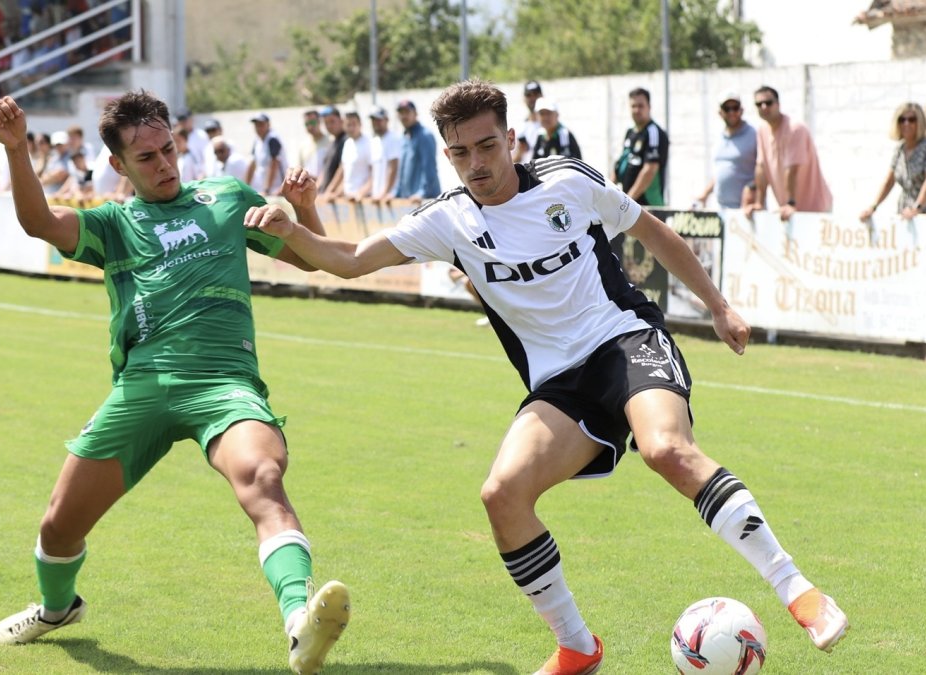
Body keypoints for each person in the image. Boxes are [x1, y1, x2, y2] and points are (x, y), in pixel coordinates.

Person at [245, 79, 848, 675]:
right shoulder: (446, 220)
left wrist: (718, 306)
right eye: (460, 152)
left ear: (511, 138)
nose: (476, 164)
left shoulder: (567, 180)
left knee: (666, 449)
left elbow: (653, 232)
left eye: (486, 146)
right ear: (446, 153)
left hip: (625, 340)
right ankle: (576, 646)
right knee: (501, 495)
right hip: (560, 384)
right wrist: (295, 229)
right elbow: (349, 261)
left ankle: (799, 591)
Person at [0, 90, 350, 675]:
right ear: (118, 166)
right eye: (146, 158)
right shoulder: (115, 224)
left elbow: (314, 258)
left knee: (263, 476)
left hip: (225, 381)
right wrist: (18, 148)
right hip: (144, 386)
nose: (164, 165)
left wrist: (304, 209)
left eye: (168, 149)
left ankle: (299, 621)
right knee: (58, 524)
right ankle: (56, 609)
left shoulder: (227, 197)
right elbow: (39, 223)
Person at [745, 85, 832, 221]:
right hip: (789, 212)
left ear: (778, 104)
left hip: (814, 209)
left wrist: (790, 203)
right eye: (759, 104)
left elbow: (791, 169)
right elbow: (761, 168)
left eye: (768, 103)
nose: (764, 107)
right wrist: (759, 203)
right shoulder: (762, 131)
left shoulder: (795, 128)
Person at [859, 102, 926, 220]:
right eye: (902, 120)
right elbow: (889, 180)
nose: (906, 124)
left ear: (920, 122)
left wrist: (917, 207)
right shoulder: (900, 149)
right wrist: (873, 207)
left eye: (911, 120)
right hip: (904, 211)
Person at [695, 92, 757, 209]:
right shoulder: (719, 137)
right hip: (722, 208)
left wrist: (752, 187)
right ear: (720, 112)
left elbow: (765, 170)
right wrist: (704, 194)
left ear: (742, 110)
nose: (731, 112)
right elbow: (721, 171)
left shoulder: (754, 134)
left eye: (735, 108)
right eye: (727, 108)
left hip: (747, 210)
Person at [611, 87, 668, 206]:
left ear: (649, 107)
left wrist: (627, 201)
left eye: (641, 106)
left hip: (648, 207)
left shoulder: (653, 132)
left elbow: (649, 170)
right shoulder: (630, 133)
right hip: (630, 207)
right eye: (633, 106)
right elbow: (620, 165)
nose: (637, 110)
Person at [394, 99, 441, 203]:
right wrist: (395, 194)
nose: (404, 116)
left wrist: (422, 193)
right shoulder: (405, 137)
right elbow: (401, 172)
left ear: (415, 114)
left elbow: (430, 169)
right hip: (409, 201)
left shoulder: (425, 135)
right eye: (401, 113)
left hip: (424, 201)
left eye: (407, 112)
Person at [322, 111, 372, 202]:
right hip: (348, 198)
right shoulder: (348, 143)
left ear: (360, 124)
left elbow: (374, 174)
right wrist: (333, 192)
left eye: (354, 124)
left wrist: (361, 193)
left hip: (364, 198)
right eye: (348, 125)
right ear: (344, 126)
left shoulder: (370, 143)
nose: (351, 128)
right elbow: (344, 171)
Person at [246, 112, 288, 196]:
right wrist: (245, 187)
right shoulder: (257, 141)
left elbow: (274, 164)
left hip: (277, 189)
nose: (258, 127)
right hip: (265, 188)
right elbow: (252, 164)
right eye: (256, 125)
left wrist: (266, 189)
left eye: (261, 124)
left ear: (268, 124)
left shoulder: (273, 139)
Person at [369, 106, 402, 203]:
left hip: (389, 198)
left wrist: (384, 193)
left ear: (387, 120)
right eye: (373, 120)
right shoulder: (374, 141)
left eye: (379, 120)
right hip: (377, 197)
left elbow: (393, 168)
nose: (376, 123)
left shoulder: (393, 139)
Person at [514, 80, 544, 162]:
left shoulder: (549, 125)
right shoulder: (519, 128)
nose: (532, 98)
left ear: (542, 96)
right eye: (528, 95)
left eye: (536, 94)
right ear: (524, 98)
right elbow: (510, 163)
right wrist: (520, 152)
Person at [297, 108, 331, 182]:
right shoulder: (303, 146)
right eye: (307, 124)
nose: (310, 127)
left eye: (312, 122)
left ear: (319, 122)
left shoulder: (331, 141)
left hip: (326, 188)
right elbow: (300, 168)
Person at [318, 106, 346, 191]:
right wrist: (316, 189)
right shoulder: (332, 143)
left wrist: (329, 191)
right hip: (325, 196)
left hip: (335, 197)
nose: (329, 126)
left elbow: (343, 169)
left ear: (341, 120)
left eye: (332, 121)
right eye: (326, 123)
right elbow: (325, 170)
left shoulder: (346, 141)